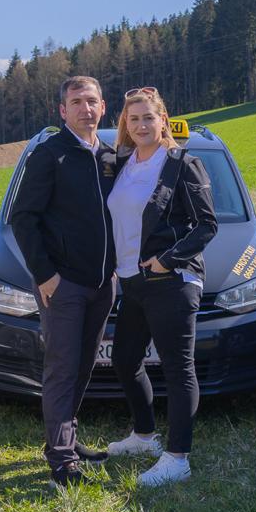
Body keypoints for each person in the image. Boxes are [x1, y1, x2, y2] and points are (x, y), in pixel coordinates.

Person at [8, 76, 119, 487]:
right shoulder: (49, 155)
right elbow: (23, 219)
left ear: (103, 107)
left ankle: (66, 440)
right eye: (76, 102)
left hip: (102, 284)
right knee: (62, 368)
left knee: (85, 364)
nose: (85, 109)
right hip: (63, 285)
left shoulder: (110, 157)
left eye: (91, 101)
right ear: (62, 110)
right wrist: (46, 275)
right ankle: (61, 462)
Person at [103, 87, 217, 487]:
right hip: (133, 282)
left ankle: (178, 458)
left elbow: (207, 224)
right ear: (125, 123)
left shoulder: (182, 164)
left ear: (162, 120)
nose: (141, 126)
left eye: (148, 118)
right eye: (133, 119)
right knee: (124, 359)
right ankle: (145, 436)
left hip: (171, 280)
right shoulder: (124, 163)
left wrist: (168, 259)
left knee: (177, 368)